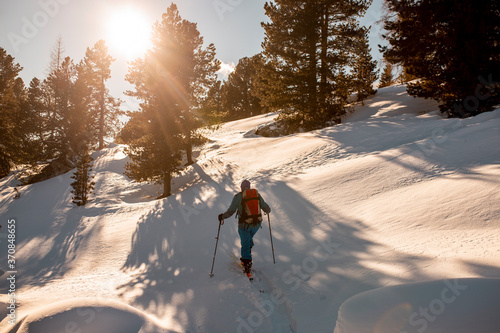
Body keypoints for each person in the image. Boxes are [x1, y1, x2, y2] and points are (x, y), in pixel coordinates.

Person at [218, 180, 271, 274]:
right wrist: (267, 210)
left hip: (244, 225)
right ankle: (247, 252)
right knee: (248, 239)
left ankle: (247, 264)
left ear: (241, 187)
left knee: (245, 243)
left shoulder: (238, 196)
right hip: (257, 224)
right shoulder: (256, 195)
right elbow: (266, 208)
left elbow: (231, 211)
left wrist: (222, 217)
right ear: (249, 187)